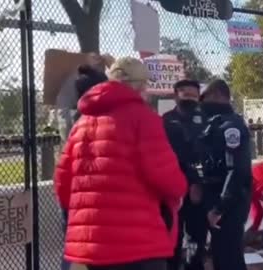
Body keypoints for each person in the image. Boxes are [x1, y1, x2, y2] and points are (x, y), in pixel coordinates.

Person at [54, 57, 187, 270]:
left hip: (87, 249)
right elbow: (166, 178)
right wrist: (181, 188)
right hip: (137, 245)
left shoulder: (80, 124)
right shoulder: (145, 119)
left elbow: (62, 183)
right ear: (140, 86)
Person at [199, 79, 252, 270]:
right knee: (221, 254)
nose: (201, 103)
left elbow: (237, 171)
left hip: (229, 203)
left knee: (229, 257)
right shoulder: (216, 123)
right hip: (219, 197)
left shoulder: (231, 127)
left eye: (204, 98)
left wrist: (219, 208)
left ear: (217, 96)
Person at [59, 64, 109, 270]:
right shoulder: (103, 118)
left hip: (76, 189)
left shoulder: (73, 119)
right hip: (96, 190)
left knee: (74, 244)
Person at [163, 79, 208, 270]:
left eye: (194, 95)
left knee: (197, 235)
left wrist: (197, 182)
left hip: (198, 186)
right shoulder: (166, 120)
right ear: (175, 95)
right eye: (185, 94)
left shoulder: (205, 119)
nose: (190, 98)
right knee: (172, 235)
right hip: (173, 187)